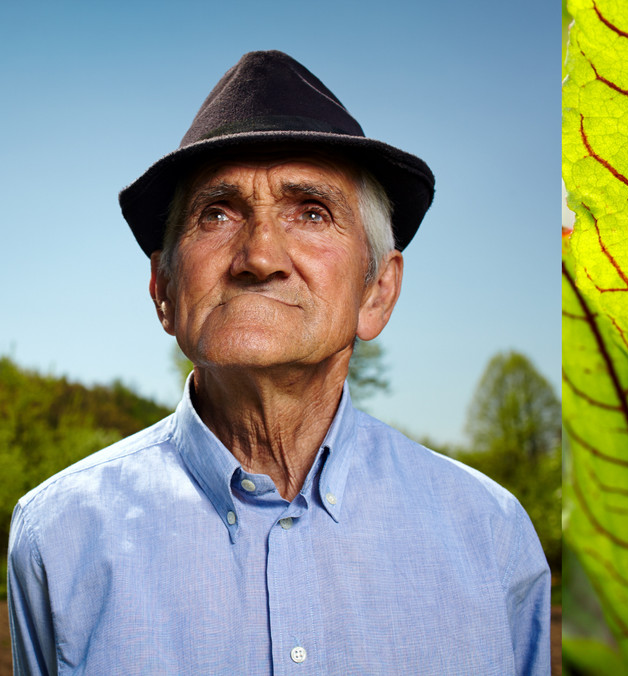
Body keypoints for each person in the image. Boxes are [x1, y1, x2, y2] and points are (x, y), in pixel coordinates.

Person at [7, 50, 550, 675]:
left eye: (311, 212)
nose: (260, 256)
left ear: (376, 293)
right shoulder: (58, 534)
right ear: (163, 289)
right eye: (217, 212)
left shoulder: (492, 534)